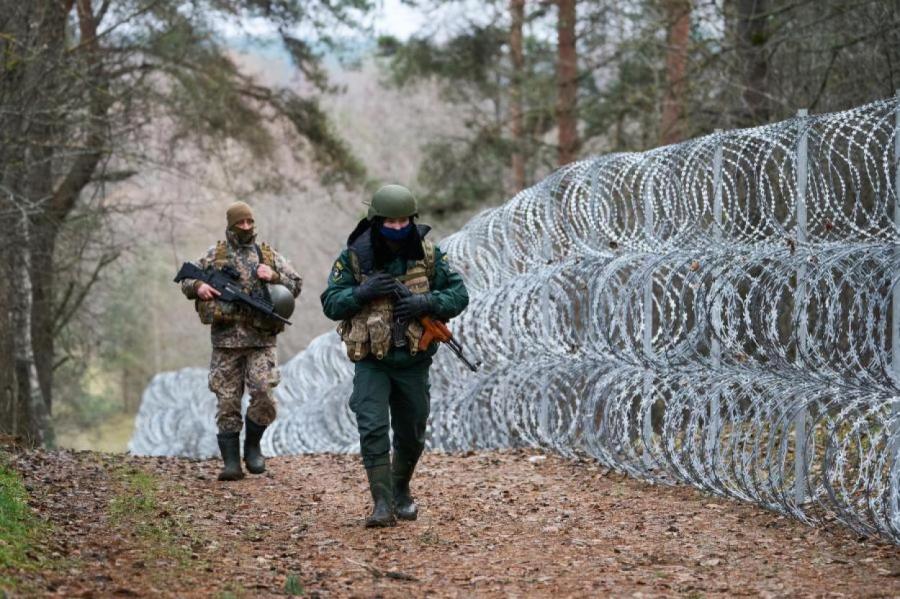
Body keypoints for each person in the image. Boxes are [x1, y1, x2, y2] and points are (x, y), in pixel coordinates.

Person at [320, 184, 469, 527]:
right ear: (376, 221)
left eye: (405, 222)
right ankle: (382, 503)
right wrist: (360, 293)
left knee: (412, 432)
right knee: (372, 427)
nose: (399, 228)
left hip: (414, 362)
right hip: (373, 361)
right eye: (391, 222)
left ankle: (401, 489)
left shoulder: (429, 255)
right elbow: (331, 302)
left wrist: (427, 302)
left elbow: (459, 295)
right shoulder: (354, 258)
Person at [180, 201, 302, 481]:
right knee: (227, 401)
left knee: (263, 396)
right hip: (225, 342)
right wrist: (199, 286)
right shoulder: (216, 255)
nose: (246, 228)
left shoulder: (267, 254)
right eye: (240, 223)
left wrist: (274, 276)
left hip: (262, 340)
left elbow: (296, 284)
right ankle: (231, 462)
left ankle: (253, 448)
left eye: (249, 222)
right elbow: (186, 277)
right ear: (231, 225)